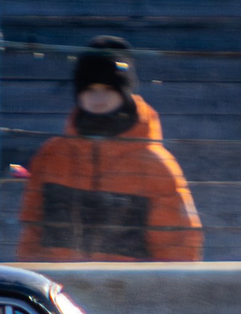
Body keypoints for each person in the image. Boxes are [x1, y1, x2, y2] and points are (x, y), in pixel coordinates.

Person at [13, 36, 204, 263]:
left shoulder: (153, 163)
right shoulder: (53, 155)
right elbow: (32, 231)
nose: (98, 97)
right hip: (59, 290)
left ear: (124, 92)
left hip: (128, 292)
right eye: (90, 89)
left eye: (107, 88)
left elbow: (179, 245)